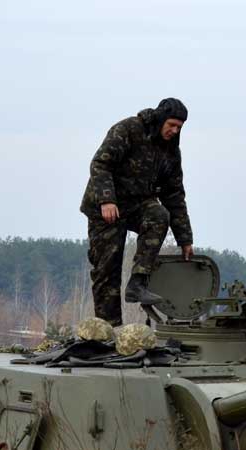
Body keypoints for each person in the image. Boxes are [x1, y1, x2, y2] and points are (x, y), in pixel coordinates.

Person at [80, 97, 195, 326]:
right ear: (161, 118)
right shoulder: (129, 129)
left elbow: (174, 195)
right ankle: (109, 331)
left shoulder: (171, 151)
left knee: (159, 215)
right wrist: (106, 200)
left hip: (137, 205)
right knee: (107, 270)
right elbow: (100, 164)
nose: (174, 130)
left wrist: (185, 238)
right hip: (105, 207)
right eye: (171, 124)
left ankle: (137, 283)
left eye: (179, 127)